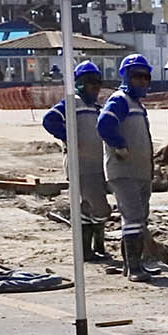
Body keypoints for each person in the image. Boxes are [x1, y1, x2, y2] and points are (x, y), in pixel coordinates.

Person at [40, 60, 111, 263]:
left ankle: (91, 249)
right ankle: (94, 245)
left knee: (87, 207)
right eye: (90, 82)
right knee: (100, 208)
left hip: (96, 166)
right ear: (80, 83)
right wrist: (68, 137)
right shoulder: (72, 104)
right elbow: (49, 120)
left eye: (97, 83)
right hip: (80, 165)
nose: (95, 87)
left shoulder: (96, 108)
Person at [96, 55, 158, 277]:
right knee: (132, 216)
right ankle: (134, 267)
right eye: (137, 77)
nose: (142, 81)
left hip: (140, 171)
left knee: (139, 217)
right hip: (124, 171)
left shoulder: (136, 105)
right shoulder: (120, 100)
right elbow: (104, 124)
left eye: (145, 77)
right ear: (126, 77)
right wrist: (119, 145)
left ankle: (132, 264)